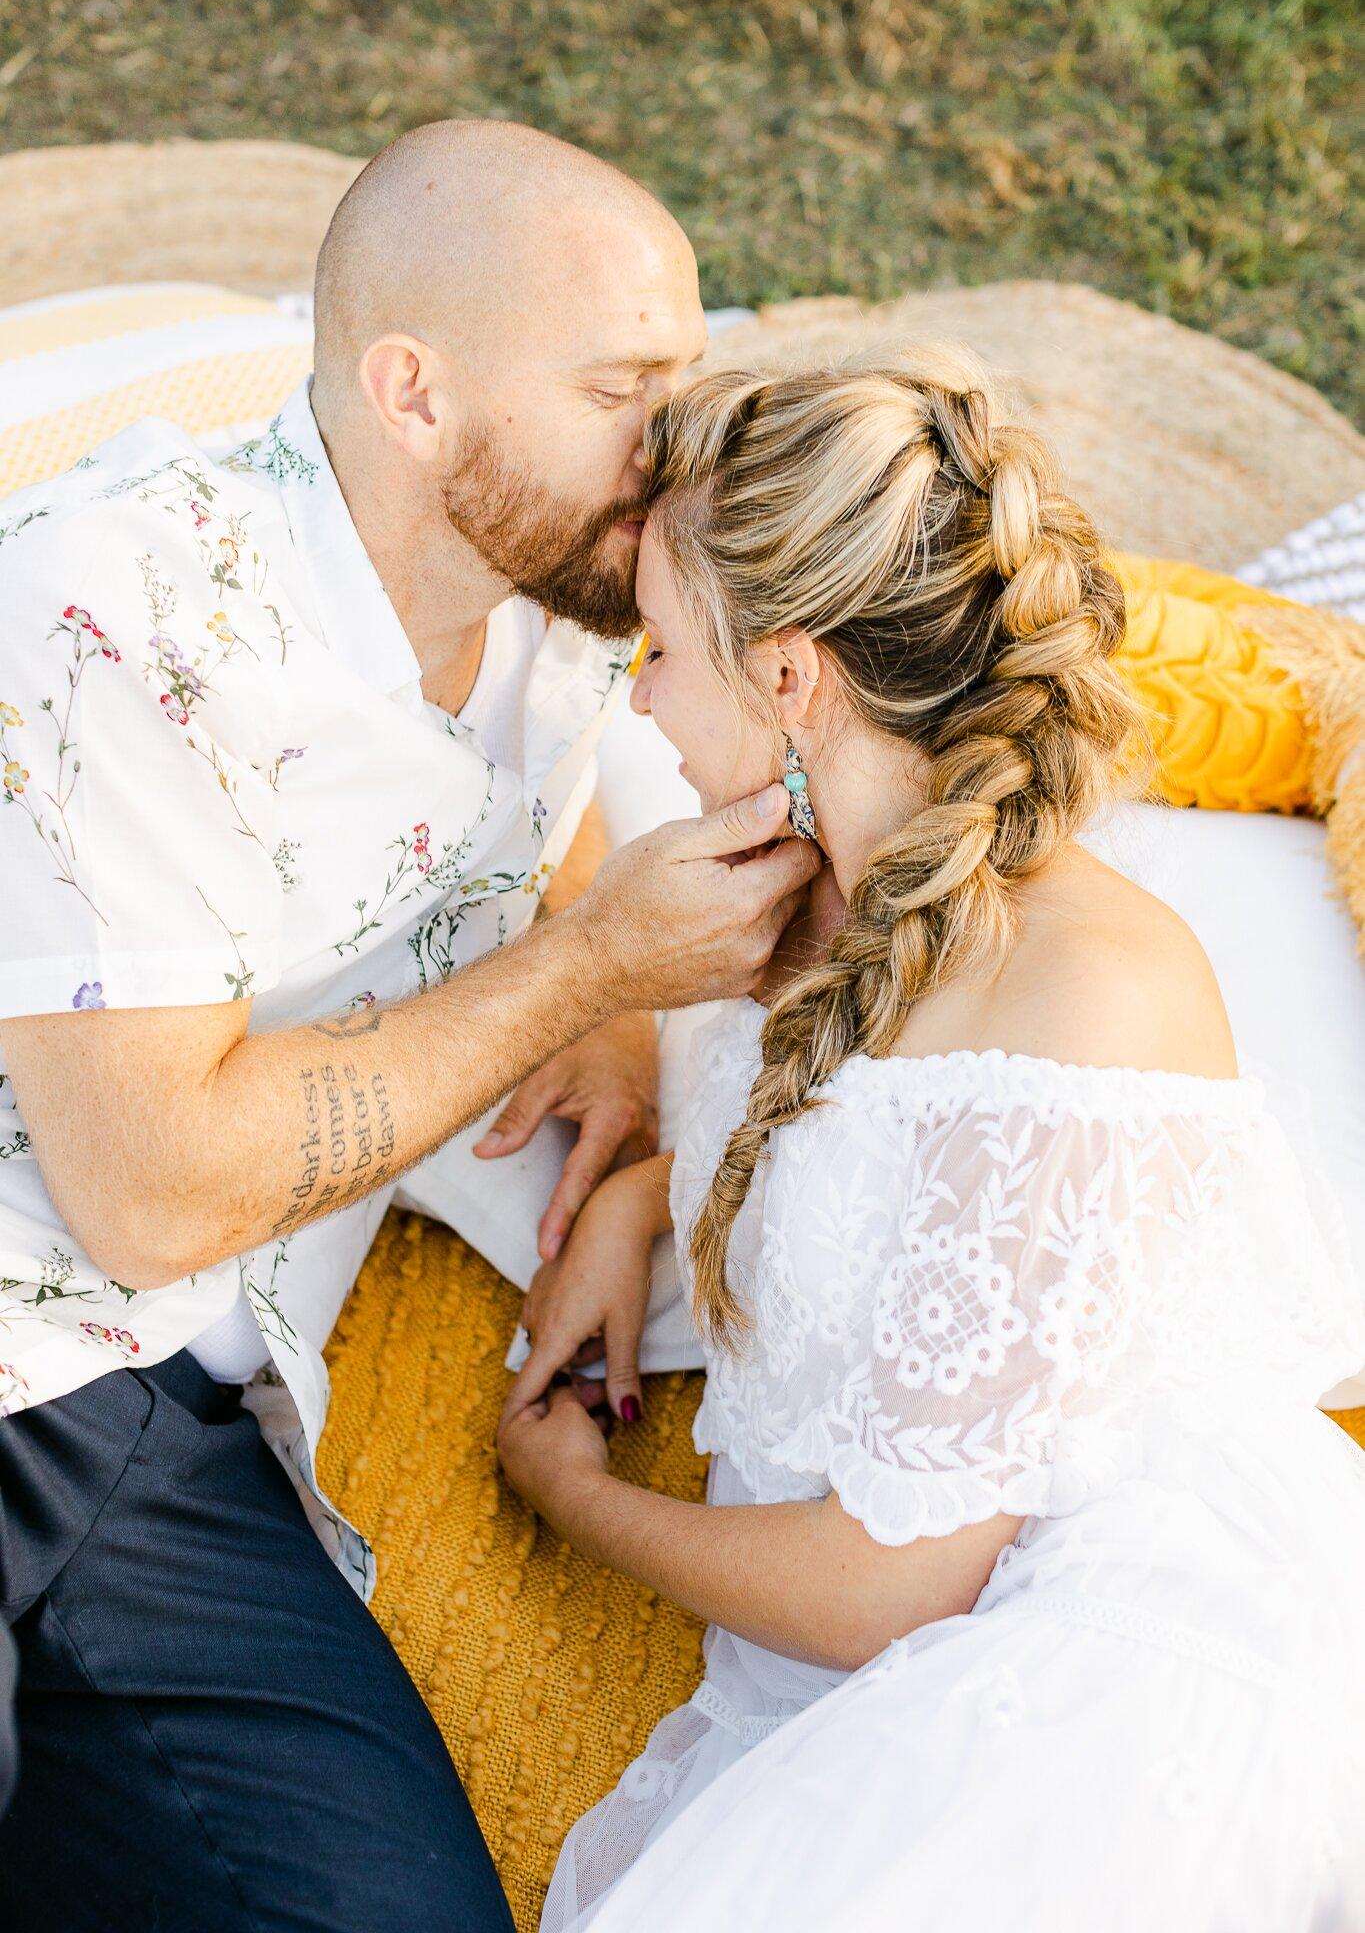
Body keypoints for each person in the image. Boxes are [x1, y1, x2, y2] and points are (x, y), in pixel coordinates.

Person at [0, 121, 820, 1930]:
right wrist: (594, 972)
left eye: (682, 378)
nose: (670, 446)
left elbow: (542, 812)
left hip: (180, 1421)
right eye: (622, 387)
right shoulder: (117, 611)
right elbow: (149, 1197)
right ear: (413, 392)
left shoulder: (562, 599)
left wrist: (612, 1079)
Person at [497, 348, 1365, 1930]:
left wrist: (576, 1501)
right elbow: (849, 1169)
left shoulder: (1083, 993)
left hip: (1122, 1665)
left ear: (789, 679)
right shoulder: (792, 894)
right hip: (946, 1660)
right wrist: (634, 1200)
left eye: (665, 651)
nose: (640, 697)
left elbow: (890, 1583)